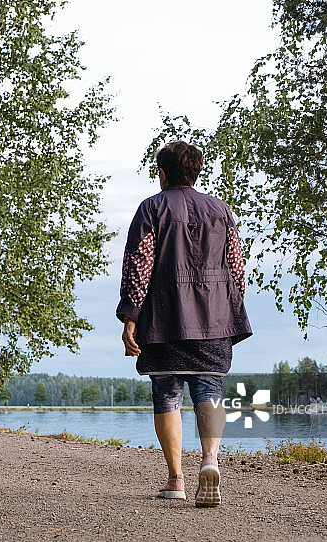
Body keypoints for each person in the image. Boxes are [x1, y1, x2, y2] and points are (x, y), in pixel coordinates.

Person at [116, 140, 252, 507]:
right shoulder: (221, 210)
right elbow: (237, 268)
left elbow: (139, 267)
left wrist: (130, 316)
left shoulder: (152, 208)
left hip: (164, 318)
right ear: (196, 172)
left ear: (162, 173)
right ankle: (210, 460)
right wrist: (228, 305)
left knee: (167, 395)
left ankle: (175, 478)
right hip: (214, 319)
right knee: (209, 390)